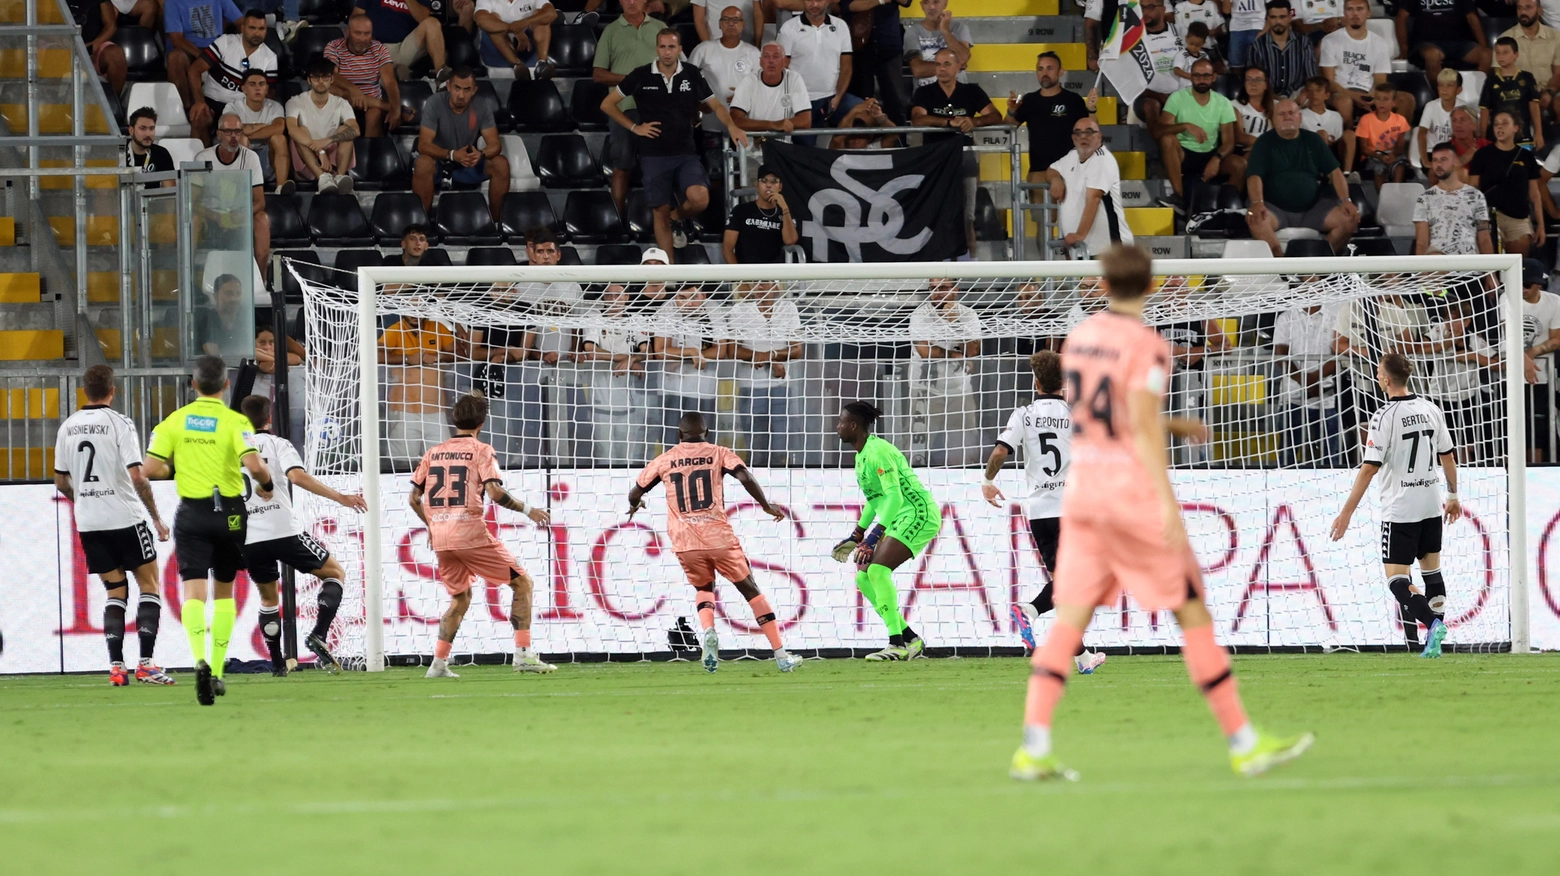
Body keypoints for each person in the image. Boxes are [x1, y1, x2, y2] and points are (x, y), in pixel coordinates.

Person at [1010, 243, 1313, 783]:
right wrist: (1166, 501)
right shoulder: (1148, 346)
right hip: (1128, 497)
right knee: (1192, 612)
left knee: (1069, 619)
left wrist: (1174, 426)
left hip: (1082, 497)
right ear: (1151, 287)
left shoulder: (1080, 342)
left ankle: (1033, 746)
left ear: (1101, 286)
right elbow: (1142, 425)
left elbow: (1102, 417)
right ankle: (1244, 741)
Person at [143, 355, 274, 706]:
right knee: (225, 592)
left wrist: (179, 468)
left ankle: (199, 658)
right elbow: (254, 464)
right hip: (229, 512)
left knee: (194, 593)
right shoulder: (235, 421)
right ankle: (216, 668)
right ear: (227, 384)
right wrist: (267, 483)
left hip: (193, 512)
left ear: (193, 385)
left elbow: (150, 468)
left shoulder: (175, 421)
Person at [628, 412, 801, 673]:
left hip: (685, 542)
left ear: (679, 435)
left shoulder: (664, 460)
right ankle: (781, 655)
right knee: (750, 590)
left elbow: (635, 491)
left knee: (704, 588)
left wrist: (635, 505)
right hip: (719, 537)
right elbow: (744, 476)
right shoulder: (719, 453)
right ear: (707, 434)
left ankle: (708, 630)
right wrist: (765, 505)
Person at [409, 393, 555, 678]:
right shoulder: (481, 450)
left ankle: (437, 665)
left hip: (441, 540)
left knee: (460, 599)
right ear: (482, 422)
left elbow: (414, 497)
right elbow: (495, 492)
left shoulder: (433, 452)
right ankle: (523, 654)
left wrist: (431, 525)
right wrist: (529, 510)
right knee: (522, 583)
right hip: (470, 534)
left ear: (454, 419)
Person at [980, 351, 1108, 674]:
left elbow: (1000, 452)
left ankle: (1082, 657)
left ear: (1035, 382)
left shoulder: (1023, 414)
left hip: (1038, 513)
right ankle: (1031, 611)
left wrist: (987, 480)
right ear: (1064, 384)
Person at [1328, 353, 1459, 659]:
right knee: (1432, 573)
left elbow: (1369, 467)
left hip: (1400, 509)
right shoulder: (1431, 409)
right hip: (1430, 502)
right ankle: (1431, 639)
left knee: (1397, 580)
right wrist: (1452, 496)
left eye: (1377, 373)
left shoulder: (1383, 417)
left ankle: (1432, 626)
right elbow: (1448, 457)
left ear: (1385, 379)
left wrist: (1346, 512)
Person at [54, 365, 174, 686]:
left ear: (84, 390)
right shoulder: (120, 423)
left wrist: (84, 500)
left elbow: (60, 480)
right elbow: (137, 476)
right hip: (125, 517)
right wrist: (157, 518)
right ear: (112, 390)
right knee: (148, 585)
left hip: (90, 522)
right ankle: (146, 663)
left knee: (115, 591)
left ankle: (116, 667)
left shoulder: (68, 427)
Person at [237, 395, 366, 676]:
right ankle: (319, 633)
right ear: (268, 418)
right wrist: (341, 497)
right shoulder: (278, 444)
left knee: (269, 599)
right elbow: (297, 477)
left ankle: (277, 664)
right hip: (283, 529)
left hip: (249, 536)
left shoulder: (231, 450)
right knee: (334, 573)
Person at [601, 29, 750, 261]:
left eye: (672, 47)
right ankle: (669, 273)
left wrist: (732, 126)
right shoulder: (641, 75)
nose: (667, 52)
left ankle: (677, 216)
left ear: (680, 49)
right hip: (653, 155)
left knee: (700, 198)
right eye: (662, 47)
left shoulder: (691, 73)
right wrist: (635, 127)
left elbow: (717, 106)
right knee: (659, 212)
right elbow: (607, 104)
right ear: (656, 48)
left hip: (685, 152)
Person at [830, 401, 936, 661]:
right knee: (863, 578)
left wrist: (873, 537)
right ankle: (910, 639)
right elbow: (876, 498)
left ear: (853, 425)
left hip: (918, 513)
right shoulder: (861, 455)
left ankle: (896, 644)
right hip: (900, 516)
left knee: (877, 570)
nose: (838, 426)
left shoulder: (878, 452)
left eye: (841, 421)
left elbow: (895, 498)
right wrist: (858, 534)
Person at [909, 47, 1001, 256]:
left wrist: (974, 121)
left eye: (946, 64)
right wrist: (948, 122)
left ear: (959, 67)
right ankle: (937, 277)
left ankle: (969, 272)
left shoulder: (972, 91)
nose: (941, 69)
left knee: (967, 217)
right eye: (938, 64)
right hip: (935, 162)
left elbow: (996, 116)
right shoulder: (924, 92)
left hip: (965, 160)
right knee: (936, 215)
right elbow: (918, 118)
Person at [1246, 98, 1360, 255]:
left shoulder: (1313, 140)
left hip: (1314, 209)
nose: (1287, 117)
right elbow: (1254, 176)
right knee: (1256, 220)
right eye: (1282, 114)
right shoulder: (1263, 142)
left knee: (1349, 220)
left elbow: (1335, 172)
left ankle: (1317, 263)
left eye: (1292, 113)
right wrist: (1257, 203)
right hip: (1275, 209)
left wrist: (1346, 200)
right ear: (1273, 119)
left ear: (1300, 117)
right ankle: (1282, 267)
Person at [593, 0, 667, 215]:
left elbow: (676, 66)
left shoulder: (660, 29)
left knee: (663, 166)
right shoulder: (611, 31)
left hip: (659, 108)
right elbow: (598, 74)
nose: (631, 2)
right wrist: (631, 80)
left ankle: (665, 219)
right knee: (622, 166)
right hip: (623, 108)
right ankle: (617, 218)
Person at [414, 67, 509, 221]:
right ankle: (422, 224)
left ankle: (497, 222)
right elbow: (423, 145)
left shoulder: (482, 106)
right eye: (457, 88)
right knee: (423, 163)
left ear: (474, 90)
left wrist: (481, 154)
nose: (461, 95)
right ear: (449, 86)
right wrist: (452, 154)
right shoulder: (435, 102)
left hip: (467, 163)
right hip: (439, 162)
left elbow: (495, 144)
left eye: (466, 90)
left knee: (501, 164)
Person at [726, 280, 801, 466]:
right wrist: (768, 359)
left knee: (780, 445)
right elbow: (732, 350)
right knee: (756, 446)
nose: (760, 287)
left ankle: (778, 489)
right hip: (751, 387)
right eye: (755, 283)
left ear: (776, 287)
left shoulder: (788, 308)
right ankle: (757, 490)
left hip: (781, 386)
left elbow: (797, 349)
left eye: (765, 283)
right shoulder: (739, 310)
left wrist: (770, 356)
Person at [909, 279, 983, 465]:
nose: (937, 293)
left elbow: (973, 350)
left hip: (960, 391)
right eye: (933, 289)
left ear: (955, 290)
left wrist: (956, 322)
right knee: (916, 450)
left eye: (942, 288)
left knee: (964, 449)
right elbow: (925, 352)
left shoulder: (968, 315)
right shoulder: (920, 315)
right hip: (925, 390)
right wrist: (957, 355)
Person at [578, 284, 651, 465]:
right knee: (605, 458)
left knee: (630, 458)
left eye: (617, 295)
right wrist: (628, 359)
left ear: (626, 297)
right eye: (608, 296)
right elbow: (590, 350)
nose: (613, 299)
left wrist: (633, 359)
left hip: (630, 405)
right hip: (602, 403)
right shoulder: (594, 318)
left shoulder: (637, 319)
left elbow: (647, 351)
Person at [194, 113, 271, 278]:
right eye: (229, 132)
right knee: (193, 218)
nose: (234, 136)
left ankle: (260, 279)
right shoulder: (203, 158)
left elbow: (260, 202)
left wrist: (242, 213)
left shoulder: (251, 158)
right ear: (219, 134)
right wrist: (216, 217)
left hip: (237, 215)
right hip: (210, 217)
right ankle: (188, 278)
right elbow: (192, 201)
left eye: (238, 131)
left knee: (262, 219)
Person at [1044, 115, 1133, 257]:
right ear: (1073, 138)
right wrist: (1056, 180)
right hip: (1081, 249)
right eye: (1078, 133)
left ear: (1099, 136)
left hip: (1108, 248)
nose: (1083, 136)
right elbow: (1051, 169)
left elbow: (1094, 199)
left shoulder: (1102, 160)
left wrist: (1080, 234)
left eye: (1089, 132)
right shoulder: (1072, 155)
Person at [1007, 51, 1097, 188]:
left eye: (1050, 68)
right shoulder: (1029, 100)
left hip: (1070, 171)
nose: (1044, 73)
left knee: (1073, 210)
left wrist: (1091, 109)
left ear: (1061, 72)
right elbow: (1008, 128)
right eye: (1040, 69)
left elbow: (1092, 130)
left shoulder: (1073, 100)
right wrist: (1011, 111)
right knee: (1038, 210)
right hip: (1038, 172)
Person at [653, 284, 725, 449]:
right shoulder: (668, 308)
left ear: (703, 296)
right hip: (670, 388)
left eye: (694, 298)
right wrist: (691, 352)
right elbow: (660, 351)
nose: (688, 304)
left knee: (702, 445)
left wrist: (683, 357)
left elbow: (721, 351)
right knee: (671, 444)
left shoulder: (713, 309)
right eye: (682, 298)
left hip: (703, 388)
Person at [1157, 59, 1238, 206]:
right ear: (1191, 77)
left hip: (1210, 153)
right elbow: (1160, 131)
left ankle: (1228, 205)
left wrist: (1217, 158)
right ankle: (1180, 198)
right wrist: (1185, 126)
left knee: (1239, 164)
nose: (1201, 80)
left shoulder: (1223, 102)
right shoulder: (1177, 97)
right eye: (1196, 76)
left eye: (1206, 76)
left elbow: (1229, 142)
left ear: (1214, 77)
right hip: (1183, 154)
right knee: (1167, 140)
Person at [380, 314, 457, 464]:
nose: (415, 313)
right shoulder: (394, 330)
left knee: (444, 461)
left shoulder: (437, 328)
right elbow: (374, 354)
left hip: (436, 411)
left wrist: (437, 357)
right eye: (411, 308)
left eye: (420, 308)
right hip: (403, 410)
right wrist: (407, 359)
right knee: (402, 462)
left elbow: (459, 354)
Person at [1273, 302, 1344, 466]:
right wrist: (1307, 382)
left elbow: (1338, 354)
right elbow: (1281, 354)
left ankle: (1331, 488)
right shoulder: (1286, 317)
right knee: (1288, 451)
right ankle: (1284, 487)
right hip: (1292, 396)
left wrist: (1314, 379)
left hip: (1325, 395)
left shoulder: (1333, 318)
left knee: (1330, 453)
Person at [189, 10, 276, 143]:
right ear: (243, 28)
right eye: (252, 28)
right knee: (199, 117)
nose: (257, 33)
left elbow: (268, 93)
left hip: (241, 109)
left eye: (261, 29)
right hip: (212, 101)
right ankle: (201, 161)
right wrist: (199, 101)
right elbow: (194, 70)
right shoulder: (225, 42)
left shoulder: (270, 58)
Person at [1467, 108, 1545, 255]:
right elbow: (1473, 189)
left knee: (1517, 265)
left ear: (1516, 128)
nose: (1499, 127)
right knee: (1489, 265)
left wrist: (1540, 225)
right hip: (1489, 215)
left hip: (1518, 216)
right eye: (1496, 124)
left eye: (1504, 123)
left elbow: (1534, 193)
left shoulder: (1526, 157)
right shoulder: (1482, 155)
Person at [778, 0, 860, 127]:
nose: (815, 5)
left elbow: (846, 67)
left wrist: (838, 97)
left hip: (834, 97)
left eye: (819, 0)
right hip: (801, 100)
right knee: (804, 145)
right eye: (810, 0)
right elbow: (782, 67)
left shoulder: (840, 26)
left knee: (866, 114)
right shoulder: (789, 28)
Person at [164, 0, 244, 131]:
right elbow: (176, 39)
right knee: (175, 57)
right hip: (188, 49)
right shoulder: (172, 3)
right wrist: (204, 56)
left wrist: (240, 46)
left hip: (215, 48)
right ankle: (187, 110)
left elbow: (241, 22)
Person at [1510, 258, 1560, 461]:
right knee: (1513, 432)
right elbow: (1507, 335)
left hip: (1542, 379)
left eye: (1526, 285)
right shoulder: (1507, 298)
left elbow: (1556, 340)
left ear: (1538, 285)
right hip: (1511, 379)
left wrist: (1529, 354)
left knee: (1538, 432)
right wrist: (1523, 359)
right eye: (1518, 283)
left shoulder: (1554, 301)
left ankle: (1534, 478)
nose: (1521, 289)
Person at [286, 57, 360, 194]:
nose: (320, 81)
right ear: (309, 80)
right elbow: (291, 129)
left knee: (346, 130)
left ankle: (339, 177)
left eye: (325, 77)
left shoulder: (341, 103)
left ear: (331, 79)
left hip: (333, 157)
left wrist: (327, 141)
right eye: (316, 77)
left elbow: (356, 130)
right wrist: (320, 150)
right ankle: (322, 178)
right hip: (308, 158)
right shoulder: (295, 101)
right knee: (300, 130)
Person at [325, 14, 403, 137]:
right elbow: (331, 75)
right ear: (347, 32)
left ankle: (370, 153)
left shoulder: (380, 49)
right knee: (331, 89)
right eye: (358, 33)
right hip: (343, 100)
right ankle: (386, 106)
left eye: (367, 34)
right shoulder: (333, 47)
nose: (362, 38)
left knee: (375, 114)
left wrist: (396, 109)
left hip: (371, 104)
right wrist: (353, 89)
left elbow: (390, 82)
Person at [1320, 0, 1394, 126]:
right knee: (1344, 102)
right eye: (1350, 9)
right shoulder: (1330, 40)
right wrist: (1353, 95)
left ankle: (1388, 139)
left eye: (1360, 9)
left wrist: (1374, 95)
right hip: (1341, 92)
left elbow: (1381, 80)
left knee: (1406, 100)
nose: (1355, 13)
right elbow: (1329, 81)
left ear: (1368, 13)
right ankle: (1349, 138)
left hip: (1368, 91)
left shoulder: (1379, 43)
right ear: (1344, 13)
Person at [690, 6, 762, 132]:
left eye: (735, 20)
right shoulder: (704, 49)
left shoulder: (753, 53)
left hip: (744, 124)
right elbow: (687, 79)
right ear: (719, 24)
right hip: (712, 123)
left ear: (743, 24)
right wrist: (698, 104)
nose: (730, 23)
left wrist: (744, 96)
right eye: (725, 19)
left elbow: (762, 86)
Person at [1415, 142, 1494, 255]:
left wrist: (1490, 271)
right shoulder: (1424, 199)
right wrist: (1422, 270)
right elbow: (1422, 242)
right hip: (1438, 267)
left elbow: (1484, 238)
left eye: (1444, 159)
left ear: (1456, 161)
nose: (1438, 164)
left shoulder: (1476, 196)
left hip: (1470, 268)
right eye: (1435, 160)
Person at [1393, 0, 1489, 91]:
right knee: (1432, 54)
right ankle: (1441, 97)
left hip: (1460, 42)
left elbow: (1472, 17)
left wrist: (1483, 45)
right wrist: (1404, 48)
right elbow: (1401, 17)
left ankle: (1472, 92)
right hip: (1427, 42)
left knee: (1487, 55)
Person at [1128, 0, 1187, 142]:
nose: (1145, 12)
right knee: (1151, 105)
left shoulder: (1180, 32)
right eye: (1142, 8)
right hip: (1149, 97)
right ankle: (1161, 139)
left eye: (1151, 7)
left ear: (1163, 9)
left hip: (1182, 94)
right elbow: (1130, 83)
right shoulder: (1134, 39)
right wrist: (1159, 95)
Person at [846, 0, 912, 125]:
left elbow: (906, 1)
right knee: (861, 104)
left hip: (889, 48)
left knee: (896, 102)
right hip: (860, 50)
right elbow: (849, 5)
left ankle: (899, 142)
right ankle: (861, 142)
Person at [353, 0, 453, 82]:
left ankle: (442, 77)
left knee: (432, 23)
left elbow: (424, 17)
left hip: (405, 48)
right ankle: (395, 72)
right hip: (376, 47)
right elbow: (356, 15)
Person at [225, 69, 289, 194]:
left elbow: (278, 128)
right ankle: (243, 188)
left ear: (266, 89)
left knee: (279, 138)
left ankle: (281, 189)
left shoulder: (275, 106)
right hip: (241, 155)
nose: (257, 88)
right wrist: (261, 126)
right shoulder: (232, 107)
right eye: (252, 84)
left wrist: (247, 132)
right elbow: (232, 131)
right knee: (241, 139)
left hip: (267, 158)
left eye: (261, 84)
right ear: (244, 89)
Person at [729, 41, 814, 134]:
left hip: (782, 145)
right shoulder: (749, 80)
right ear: (760, 61)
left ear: (784, 61)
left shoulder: (794, 79)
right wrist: (772, 125)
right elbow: (735, 120)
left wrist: (775, 127)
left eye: (776, 56)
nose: (771, 61)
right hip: (751, 147)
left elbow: (805, 121)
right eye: (766, 56)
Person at [724, 166, 797, 263]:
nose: (768, 185)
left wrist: (785, 208)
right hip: (746, 273)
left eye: (774, 181)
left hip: (773, 274)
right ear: (757, 184)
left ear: (780, 186)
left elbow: (790, 240)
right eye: (764, 181)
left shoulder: (784, 213)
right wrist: (740, 276)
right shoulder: (741, 210)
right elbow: (727, 248)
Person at [1480, 37, 1544, 149]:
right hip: (1497, 139)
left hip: (1522, 138)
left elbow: (1534, 106)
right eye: (1498, 53)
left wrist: (1538, 133)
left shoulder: (1527, 77)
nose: (1500, 56)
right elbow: (1485, 109)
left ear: (1516, 55)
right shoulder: (1491, 80)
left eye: (1505, 52)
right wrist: (1482, 136)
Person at [1249, 2, 1317, 100]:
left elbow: (1311, 77)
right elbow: (1254, 80)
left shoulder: (1303, 43)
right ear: (1267, 18)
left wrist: (1304, 94)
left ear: (1289, 17)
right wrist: (1274, 98)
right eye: (1273, 17)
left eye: (1282, 17)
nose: (1278, 22)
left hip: (1297, 94)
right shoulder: (1257, 46)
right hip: (1268, 96)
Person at [1502, 0, 1560, 116]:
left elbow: (1558, 73)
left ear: (1539, 11)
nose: (1523, 12)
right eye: (1519, 8)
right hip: (1519, 93)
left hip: (1549, 91)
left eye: (1528, 7)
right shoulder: (1505, 39)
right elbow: (1501, 75)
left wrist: (1549, 92)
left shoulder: (1556, 37)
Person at [475, 0, 557, 80]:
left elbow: (551, 14)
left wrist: (525, 22)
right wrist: (515, 30)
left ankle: (541, 64)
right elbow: (480, 20)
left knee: (541, 15)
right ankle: (517, 65)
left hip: (529, 44)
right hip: (499, 47)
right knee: (492, 18)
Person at [903, 0, 971, 91]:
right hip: (925, 97)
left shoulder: (959, 27)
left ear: (945, 3)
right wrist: (953, 65)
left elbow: (962, 59)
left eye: (936, 2)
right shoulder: (913, 32)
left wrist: (945, 31)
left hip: (957, 94)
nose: (931, 7)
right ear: (922, 5)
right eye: (926, 2)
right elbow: (918, 70)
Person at [1354, 80, 1411, 187]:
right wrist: (1380, 157)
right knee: (1378, 168)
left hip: (1393, 153)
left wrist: (1393, 155)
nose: (1381, 102)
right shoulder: (1366, 120)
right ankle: (1382, 198)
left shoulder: (1400, 120)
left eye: (1386, 99)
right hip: (1373, 155)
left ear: (1394, 103)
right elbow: (1364, 148)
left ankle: (1395, 191)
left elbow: (1400, 145)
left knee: (1400, 166)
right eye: (1378, 99)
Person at [74, 0, 128, 97]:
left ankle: (112, 105)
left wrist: (94, 45)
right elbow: (45, 25)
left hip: (93, 49)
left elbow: (111, 25)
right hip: (62, 46)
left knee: (115, 55)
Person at [1417, 69, 1463, 171]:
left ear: (1459, 90)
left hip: (1454, 152)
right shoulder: (1431, 106)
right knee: (1434, 174)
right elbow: (1421, 134)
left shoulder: (1463, 107)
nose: (1444, 89)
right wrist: (1425, 161)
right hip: (1432, 151)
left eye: (1449, 85)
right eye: (1441, 85)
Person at [1300, 75, 1351, 166]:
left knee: (1349, 134)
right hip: (1310, 153)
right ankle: (1321, 172)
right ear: (1306, 94)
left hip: (1333, 152)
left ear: (1327, 95)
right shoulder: (1300, 115)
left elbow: (1337, 139)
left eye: (1318, 91)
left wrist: (1329, 139)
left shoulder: (1336, 116)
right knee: (1321, 134)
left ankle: (1347, 173)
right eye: (1310, 91)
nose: (1314, 94)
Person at [196, 273, 249, 356]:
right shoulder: (207, 318)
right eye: (229, 294)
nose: (234, 299)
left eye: (238, 294)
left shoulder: (243, 321)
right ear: (216, 296)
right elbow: (213, 354)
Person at [125, 107, 175, 189]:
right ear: (131, 130)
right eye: (142, 128)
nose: (148, 134)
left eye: (151, 128)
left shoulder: (161, 154)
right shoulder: (118, 152)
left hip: (152, 201)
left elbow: (170, 193)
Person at [828, 97, 901, 148]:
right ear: (846, 138)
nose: (856, 141)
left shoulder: (873, 148)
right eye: (852, 137)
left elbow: (893, 134)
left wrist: (880, 117)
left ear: (868, 139)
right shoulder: (841, 151)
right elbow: (837, 139)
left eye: (861, 137)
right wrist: (854, 111)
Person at [694, 0, 762, 48]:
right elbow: (699, 19)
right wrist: (709, 47)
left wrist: (757, 44)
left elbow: (758, 15)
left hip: (748, 44)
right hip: (716, 43)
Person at [385, 223, 452, 268]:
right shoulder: (390, 263)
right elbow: (383, 288)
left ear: (426, 246)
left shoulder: (433, 265)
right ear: (403, 244)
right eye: (412, 239)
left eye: (422, 239)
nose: (418, 243)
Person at [1226, 0, 1268, 70]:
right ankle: (1237, 81)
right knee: (1236, 64)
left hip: (1259, 26)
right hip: (1237, 27)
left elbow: (1273, 8)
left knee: (1259, 63)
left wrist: (1265, 30)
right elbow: (1226, 10)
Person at [1172, 22, 1216, 89]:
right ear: (1187, 39)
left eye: (1197, 45)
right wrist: (1190, 76)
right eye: (1191, 44)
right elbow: (1176, 70)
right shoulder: (1182, 55)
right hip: (1186, 89)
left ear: (1203, 43)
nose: (1193, 47)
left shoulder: (1204, 56)